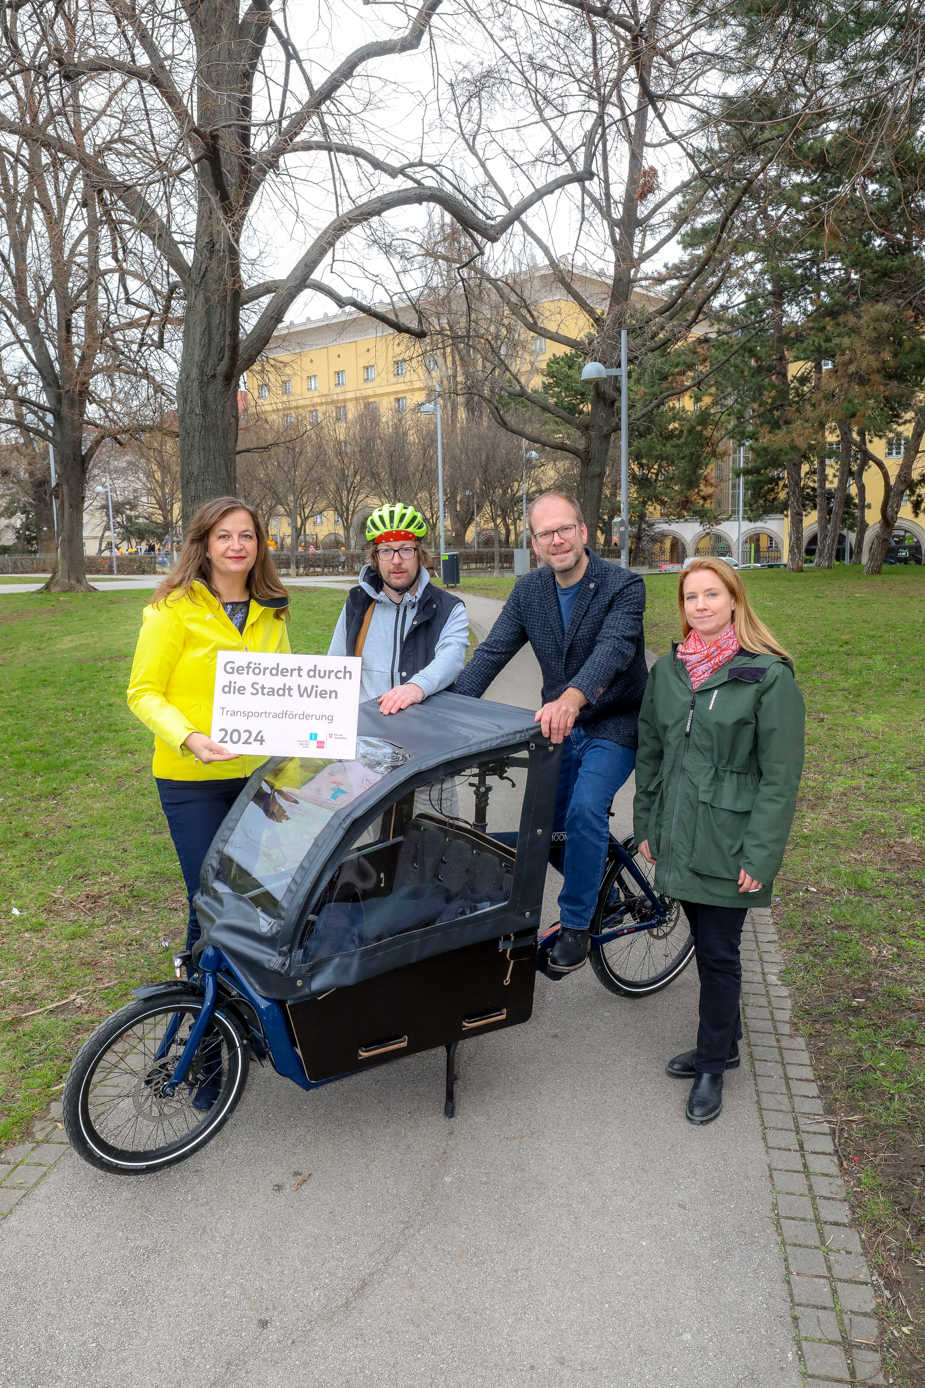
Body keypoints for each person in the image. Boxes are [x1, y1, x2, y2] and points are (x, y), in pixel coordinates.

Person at [633, 557, 804, 1125]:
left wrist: (762, 855)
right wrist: (649, 825)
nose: (700, 606)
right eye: (690, 598)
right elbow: (651, 754)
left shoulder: (768, 675)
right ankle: (723, 1043)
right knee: (707, 945)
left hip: (731, 843)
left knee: (719, 953)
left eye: (711, 595)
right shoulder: (668, 672)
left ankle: (713, 1065)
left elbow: (780, 778)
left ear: (734, 599)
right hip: (680, 836)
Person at [455, 490, 648, 975]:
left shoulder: (623, 586)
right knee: (545, 820)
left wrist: (573, 696)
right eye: (546, 533)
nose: (557, 540)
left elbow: (614, 649)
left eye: (565, 529)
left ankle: (577, 925)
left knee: (585, 809)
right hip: (559, 725)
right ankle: (601, 877)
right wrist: (450, 711)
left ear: (583, 532)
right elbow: (492, 653)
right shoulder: (529, 592)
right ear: (535, 543)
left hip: (613, 721)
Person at [127, 497, 291, 961]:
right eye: (224, 535)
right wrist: (188, 737)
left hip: (255, 779)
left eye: (246, 535)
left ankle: (229, 1006)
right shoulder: (171, 609)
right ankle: (204, 1008)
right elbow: (142, 692)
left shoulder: (273, 609)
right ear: (204, 544)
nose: (236, 545)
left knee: (242, 895)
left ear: (260, 544)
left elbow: (281, 689)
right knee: (209, 897)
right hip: (191, 781)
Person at [327, 502, 468, 712]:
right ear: (375, 557)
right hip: (366, 735)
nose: (396, 561)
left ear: (420, 553)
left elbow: (452, 657)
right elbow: (334, 670)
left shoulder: (449, 609)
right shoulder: (357, 604)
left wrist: (417, 686)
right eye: (386, 551)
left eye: (406, 550)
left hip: (423, 734)